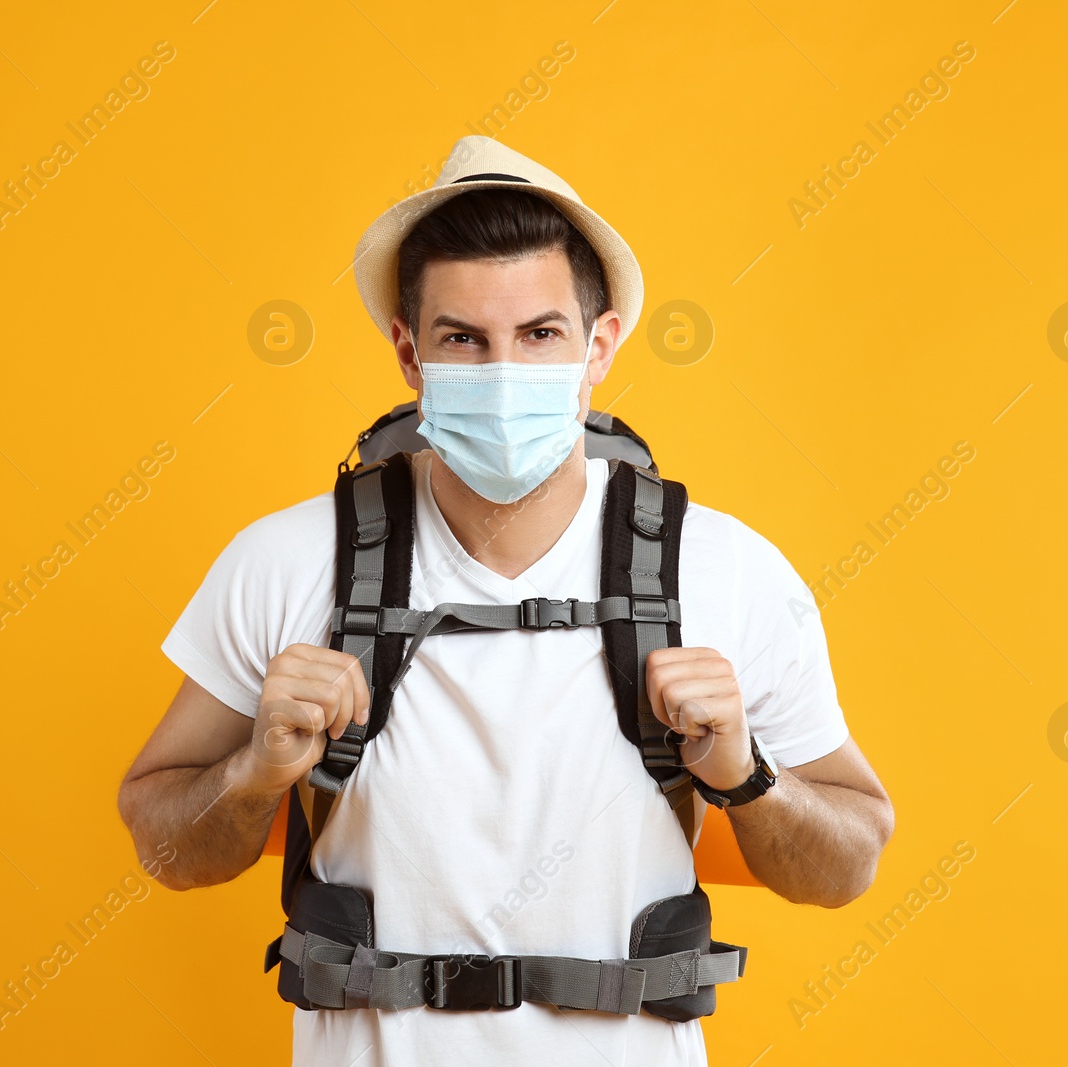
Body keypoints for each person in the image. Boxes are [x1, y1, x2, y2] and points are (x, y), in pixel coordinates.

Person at [117, 136, 894, 1066]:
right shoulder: (286, 560)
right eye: (462, 339)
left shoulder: (726, 569)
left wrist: (746, 773)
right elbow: (164, 851)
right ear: (409, 353)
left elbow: (850, 862)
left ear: (597, 346)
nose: (502, 372)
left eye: (539, 334)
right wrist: (254, 772)